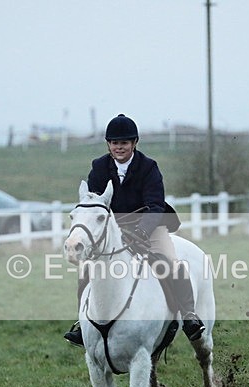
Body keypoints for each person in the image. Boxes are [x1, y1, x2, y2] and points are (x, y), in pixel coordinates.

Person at [64, 114, 205, 347]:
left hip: (149, 224)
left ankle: (189, 315)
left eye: (125, 143)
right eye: (115, 143)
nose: (119, 147)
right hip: (111, 228)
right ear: (108, 144)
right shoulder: (99, 167)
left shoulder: (148, 167)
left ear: (134, 143)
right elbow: (94, 204)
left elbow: (156, 205)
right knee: (86, 269)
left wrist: (142, 229)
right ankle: (82, 324)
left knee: (170, 261)